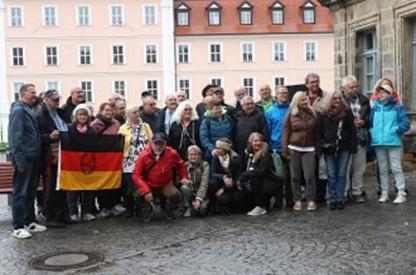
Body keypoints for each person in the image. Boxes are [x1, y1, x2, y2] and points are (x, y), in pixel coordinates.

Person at [8, 83, 46, 239]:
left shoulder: (29, 110)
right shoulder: (18, 111)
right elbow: (15, 138)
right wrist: (19, 160)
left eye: (35, 92)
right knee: (20, 193)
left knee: (31, 192)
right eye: (32, 92)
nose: (35, 95)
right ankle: (18, 226)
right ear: (22, 94)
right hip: (24, 159)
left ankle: (30, 221)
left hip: (33, 158)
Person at [132, 132, 190, 221]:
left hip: (165, 184)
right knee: (137, 195)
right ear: (151, 143)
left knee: (176, 195)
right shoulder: (143, 155)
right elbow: (136, 174)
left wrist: (183, 177)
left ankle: (168, 208)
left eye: (161, 144)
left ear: (166, 144)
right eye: (156, 143)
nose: (158, 146)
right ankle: (147, 208)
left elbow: (180, 165)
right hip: (149, 184)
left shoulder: (172, 153)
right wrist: (146, 190)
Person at [369, 83, 410, 204]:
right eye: (379, 92)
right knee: (382, 169)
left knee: (396, 168)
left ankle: (401, 193)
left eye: (383, 92)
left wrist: (396, 130)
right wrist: (373, 132)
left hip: (393, 141)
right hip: (378, 142)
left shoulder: (397, 107)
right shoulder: (375, 108)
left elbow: (405, 122)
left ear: (389, 94)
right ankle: (384, 192)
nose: (380, 94)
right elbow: (371, 122)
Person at [37, 90, 70, 228]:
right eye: (54, 99)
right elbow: (37, 137)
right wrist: (49, 137)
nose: (57, 102)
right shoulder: (40, 116)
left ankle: (63, 215)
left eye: (58, 99)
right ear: (46, 100)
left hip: (63, 155)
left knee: (63, 187)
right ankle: (51, 216)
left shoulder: (61, 113)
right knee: (50, 188)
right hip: (50, 155)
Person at [319, 91, 357, 210]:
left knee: (341, 173)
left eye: (339, 99)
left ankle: (340, 198)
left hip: (344, 146)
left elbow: (352, 130)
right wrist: (320, 146)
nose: (337, 101)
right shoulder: (324, 114)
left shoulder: (346, 112)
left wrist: (352, 146)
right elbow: (319, 131)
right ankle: (332, 197)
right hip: (329, 147)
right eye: (334, 99)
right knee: (331, 174)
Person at [282, 91, 319, 211]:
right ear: (297, 101)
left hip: (309, 148)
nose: (305, 102)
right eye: (302, 100)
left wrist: (318, 149)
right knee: (295, 177)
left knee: (309, 176)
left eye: (306, 99)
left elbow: (317, 133)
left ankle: (311, 200)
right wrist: (285, 150)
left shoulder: (312, 113)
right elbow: (285, 133)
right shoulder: (290, 115)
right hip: (294, 148)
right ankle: (297, 200)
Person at [341, 75, 370, 203]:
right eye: (351, 87)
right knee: (345, 167)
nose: (354, 89)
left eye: (355, 86)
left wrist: (363, 122)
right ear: (344, 88)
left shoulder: (363, 99)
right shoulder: (339, 100)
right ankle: (345, 191)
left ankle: (357, 191)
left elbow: (370, 117)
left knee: (359, 167)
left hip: (360, 137)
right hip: (346, 139)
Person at [119, 107, 153, 217]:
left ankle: (140, 207)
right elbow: (119, 144)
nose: (137, 114)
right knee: (128, 186)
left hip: (143, 160)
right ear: (128, 115)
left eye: (138, 112)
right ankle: (129, 207)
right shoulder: (123, 128)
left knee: (141, 184)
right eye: (134, 112)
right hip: (128, 161)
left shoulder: (145, 126)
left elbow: (151, 142)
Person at [91, 102, 123, 218]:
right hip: (100, 157)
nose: (108, 112)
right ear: (101, 111)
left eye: (110, 110)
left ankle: (113, 205)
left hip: (112, 157)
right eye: (106, 110)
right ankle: (104, 206)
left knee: (112, 181)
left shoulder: (116, 123)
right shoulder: (95, 124)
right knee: (102, 183)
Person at [67, 104, 97, 222]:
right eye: (80, 114)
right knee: (73, 189)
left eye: (85, 115)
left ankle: (86, 211)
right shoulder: (69, 128)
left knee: (88, 188)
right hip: (73, 163)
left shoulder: (92, 130)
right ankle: (73, 212)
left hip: (87, 162)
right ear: (76, 116)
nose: (83, 117)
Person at [238, 133, 280, 216]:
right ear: (250, 142)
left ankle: (261, 205)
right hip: (253, 183)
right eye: (255, 141)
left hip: (269, 182)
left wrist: (244, 176)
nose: (257, 143)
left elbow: (261, 171)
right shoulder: (248, 154)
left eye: (259, 141)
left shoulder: (266, 154)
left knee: (255, 178)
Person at [208, 138, 253, 214]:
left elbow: (239, 177)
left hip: (235, 185)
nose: (217, 150)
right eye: (217, 148)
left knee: (238, 198)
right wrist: (223, 177)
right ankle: (212, 206)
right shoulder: (216, 157)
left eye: (219, 148)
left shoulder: (236, 159)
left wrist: (224, 189)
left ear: (225, 149)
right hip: (222, 183)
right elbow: (212, 173)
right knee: (213, 185)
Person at [304, 72, 330, 203]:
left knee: (322, 168)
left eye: (317, 81)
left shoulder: (326, 96)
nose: (315, 84)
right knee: (309, 169)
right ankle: (311, 194)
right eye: (312, 82)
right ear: (307, 84)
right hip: (307, 139)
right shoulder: (303, 98)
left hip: (322, 137)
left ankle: (321, 194)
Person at [266, 85, 292, 208]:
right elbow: (268, 130)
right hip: (276, 147)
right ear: (276, 95)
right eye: (281, 93)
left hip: (291, 147)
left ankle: (291, 200)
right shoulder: (270, 111)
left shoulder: (293, 108)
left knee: (291, 177)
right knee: (278, 176)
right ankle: (278, 201)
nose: (284, 95)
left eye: (286, 93)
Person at [181, 145, 210, 217]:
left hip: (202, 193)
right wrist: (184, 181)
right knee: (184, 187)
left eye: (195, 155)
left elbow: (204, 183)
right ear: (188, 156)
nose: (193, 157)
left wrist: (198, 199)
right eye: (191, 154)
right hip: (190, 191)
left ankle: (198, 205)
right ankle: (188, 207)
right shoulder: (185, 165)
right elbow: (179, 179)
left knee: (202, 211)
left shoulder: (205, 165)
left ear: (199, 155)